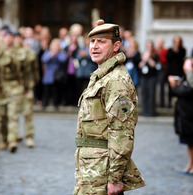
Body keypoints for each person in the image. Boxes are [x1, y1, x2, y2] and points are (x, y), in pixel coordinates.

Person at [74, 19, 145, 195]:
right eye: (92, 41)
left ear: (116, 46)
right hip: (91, 169)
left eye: (101, 42)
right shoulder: (102, 76)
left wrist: (115, 178)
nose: (95, 46)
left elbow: (121, 132)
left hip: (102, 171)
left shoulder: (116, 81)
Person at [168, 58, 193, 175]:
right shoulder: (187, 77)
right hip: (185, 114)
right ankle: (190, 164)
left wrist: (174, 86)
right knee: (189, 142)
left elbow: (189, 89)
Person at [41, 38, 67, 109]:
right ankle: (45, 104)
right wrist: (51, 54)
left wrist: (57, 54)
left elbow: (63, 59)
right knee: (46, 89)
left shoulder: (61, 53)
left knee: (56, 89)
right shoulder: (48, 52)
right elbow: (44, 59)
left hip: (57, 74)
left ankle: (56, 104)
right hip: (49, 73)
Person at [138, 40, 158, 116]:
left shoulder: (155, 55)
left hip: (152, 77)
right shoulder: (143, 54)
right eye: (148, 46)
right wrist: (144, 59)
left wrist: (149, 58)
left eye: (150, 46)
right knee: (144, 94)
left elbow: (154, 65)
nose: (149, 47)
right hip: (144, 77)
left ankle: (151, 111)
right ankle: (145, 111)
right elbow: (140, 66)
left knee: (151, 94)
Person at [166, 35, 186, 108]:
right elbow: (168, 58)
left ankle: (178, 102)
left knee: (179, 88)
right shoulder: (170, 50)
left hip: (179, 72)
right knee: (170, 89)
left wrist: (176, 50)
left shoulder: (182, 50)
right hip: (171, 72)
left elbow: (180, 57)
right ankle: (169, 103)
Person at [155, 37, 168, 108]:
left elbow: (165, 60)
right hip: (155, 70)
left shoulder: (165, 51)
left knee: (162, 86)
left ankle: (162, 103)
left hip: (162, 70)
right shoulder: (155, 50)